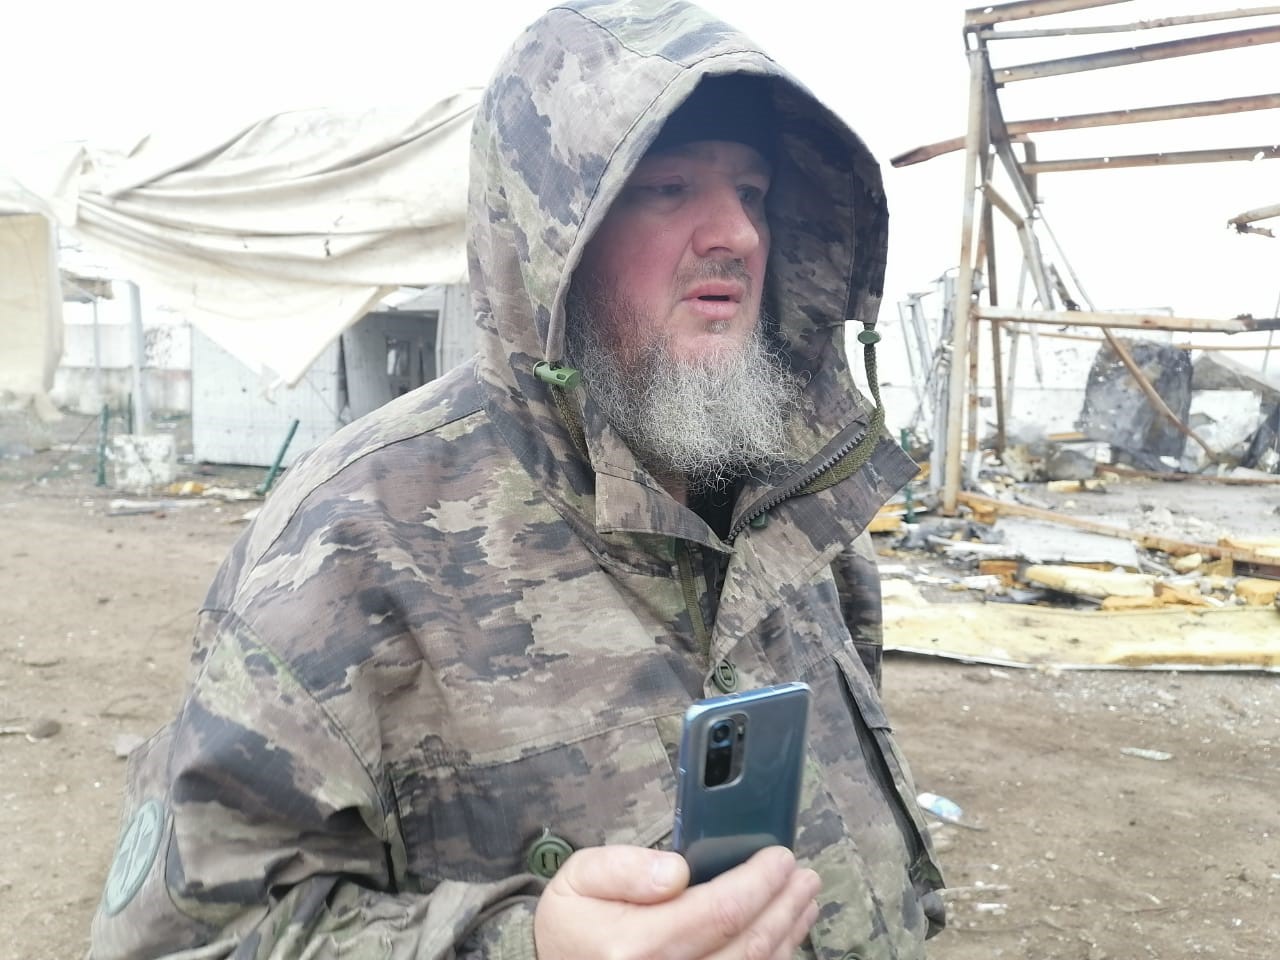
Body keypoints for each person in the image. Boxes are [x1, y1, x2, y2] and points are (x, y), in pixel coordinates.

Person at [90, 2, 945, 958]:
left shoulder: (795, 501)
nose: (738, 232)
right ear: (549, 238)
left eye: (753, 191)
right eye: (668, 187)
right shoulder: (352, 541)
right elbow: (178, 941)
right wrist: (524, 948)